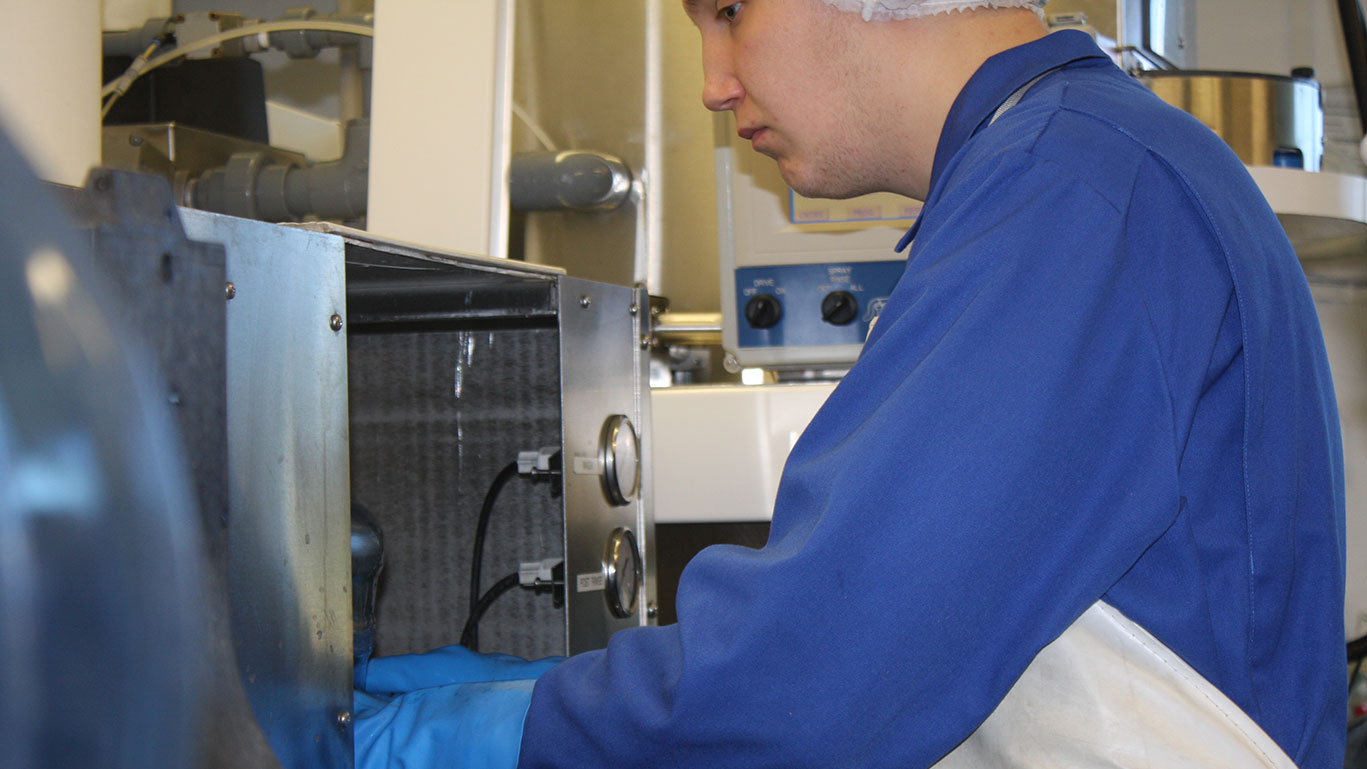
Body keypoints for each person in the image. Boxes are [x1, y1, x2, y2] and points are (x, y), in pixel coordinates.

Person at [357, 1, 1349, 766]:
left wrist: (513, 729)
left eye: (731, 12)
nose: (711, 80)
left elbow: (826, 673)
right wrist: (564, 688)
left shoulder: (1068, 192)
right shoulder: (1075, 167)